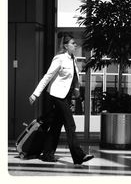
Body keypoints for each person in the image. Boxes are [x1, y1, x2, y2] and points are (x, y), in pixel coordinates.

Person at [29, 34, 94, 164]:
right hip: (57, 96)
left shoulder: (73, 59)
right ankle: (78, 156)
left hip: (67, 96)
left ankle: (47, 154)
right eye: (73, 43)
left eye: (75, 43)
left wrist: (76, 91)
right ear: (65, 46)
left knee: (56, 125)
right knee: (70, 124)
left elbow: (75, 77)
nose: (75, 45)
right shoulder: (59, 58)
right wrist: (35, 94)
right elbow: (47, 76)